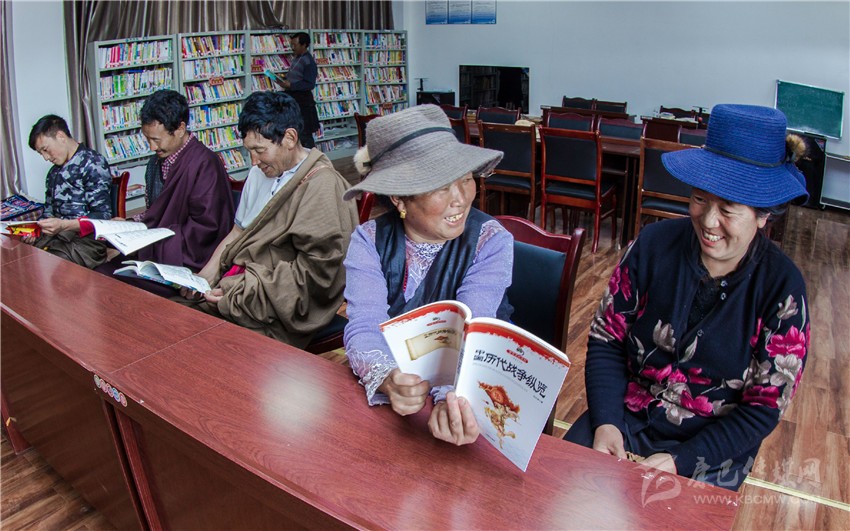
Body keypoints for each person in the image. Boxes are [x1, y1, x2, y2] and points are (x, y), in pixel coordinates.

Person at [565, 104, 810, 491]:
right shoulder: (653, 246)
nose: (709, 221)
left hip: (712, 448)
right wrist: (607, 421)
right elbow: (607, 339)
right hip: (624, 417)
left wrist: (681, 461)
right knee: (558, 497)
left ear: (763, 215)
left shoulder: (782, 288)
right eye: (699, 199)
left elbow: (763, 406)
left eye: (728, 209)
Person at [342, 104, 512, 445]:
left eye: (466, 179)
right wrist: (388, 377)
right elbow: (364, 324)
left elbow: (470, 333)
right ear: (399, 198)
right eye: (441, 187)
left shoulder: (491, 241)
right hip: (399, 404)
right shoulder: (368, 240)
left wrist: (449, 397)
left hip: (468, 388)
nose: (460, 199)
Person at [184, 91, 357, 348]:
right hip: (239, 281)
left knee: (204, 342)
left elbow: (317, 276)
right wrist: (205, 276)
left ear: (290, 138)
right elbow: (238, 233)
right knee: (177, 315)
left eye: (260, 150)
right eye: (249, 151)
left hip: (271, 302)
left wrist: (243, 289)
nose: (254, 161)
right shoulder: (259, 173)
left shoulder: (322, 186)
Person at [91, 89, 235, 295]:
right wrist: (130, 226)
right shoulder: (155, 164)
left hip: (186, 259)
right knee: (101, 273)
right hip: (157, 248)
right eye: (147, 139)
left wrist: (151, 242)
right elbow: (156, 212)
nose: (152, 147)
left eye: (157, 139)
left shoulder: (205, 164)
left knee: (118, 284)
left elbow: (206, 228)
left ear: (180, 129)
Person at [22, 115, 113, 266]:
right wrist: (35, 230)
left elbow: (102, 216)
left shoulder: (92, 163)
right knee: (21, 256)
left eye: (45, 150)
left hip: (86, 242)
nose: (46, 158)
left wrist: (63, 225)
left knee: (44, 265)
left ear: (61, 136)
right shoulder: (53, 173)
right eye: (41, 153)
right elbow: (48, 211)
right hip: (57, 237)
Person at [278, 32, 319, 149]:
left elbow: (309, 84)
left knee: (305, 135)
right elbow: (296, 77)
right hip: (294, 100)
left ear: (304, 45)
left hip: (303, 104)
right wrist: (283, 79)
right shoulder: (297, 58)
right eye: (291, 44)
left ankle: (312, 158)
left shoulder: (308, 62)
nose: (292, 48)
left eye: (295, 45)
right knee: (296, 133)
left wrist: (291, 85)